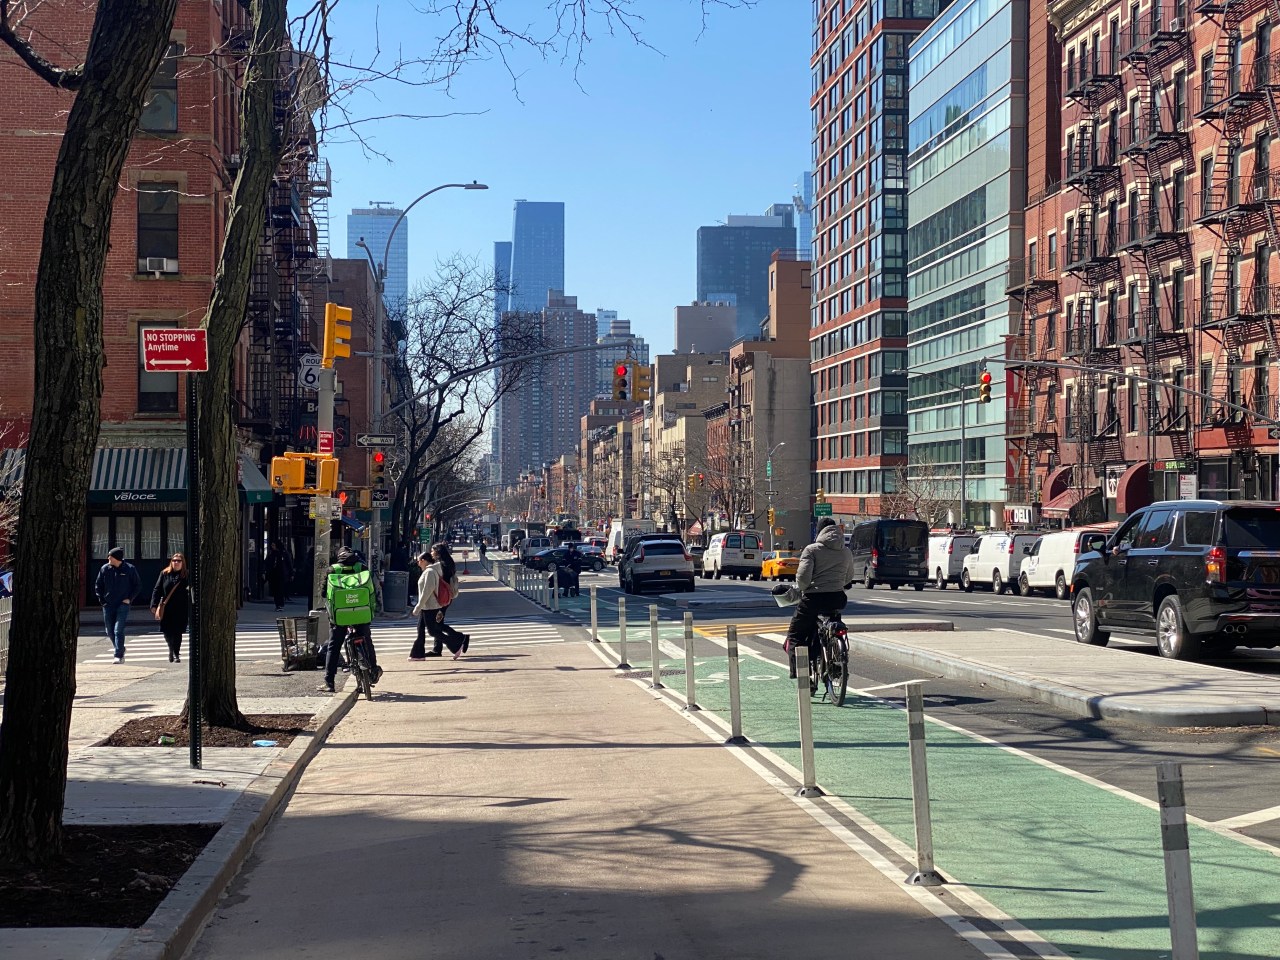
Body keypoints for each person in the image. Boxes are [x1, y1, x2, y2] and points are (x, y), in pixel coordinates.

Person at [783, 518, 856, 679]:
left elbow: (802, 580)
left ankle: (800, 673)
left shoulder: (811, 550)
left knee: (795, 634)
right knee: (831, 627)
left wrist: (804, 588)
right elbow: (849, 577)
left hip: (813, 599)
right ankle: (834, 655)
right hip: (837, 598)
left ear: (819, 531)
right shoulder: (846, 551)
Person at [321, 546, 381, 692]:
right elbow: (372, 589)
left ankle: (329, 682)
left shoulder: (332, 570)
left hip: (339, 617)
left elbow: (324, 593)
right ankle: (373, 670)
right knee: (367, 640)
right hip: (361, 614)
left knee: (333, 647)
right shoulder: (362, 567)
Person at [409, 542, 467, 660]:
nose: (431, 553)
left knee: (434, 629)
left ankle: (456, 642)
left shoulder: (434, 569)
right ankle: (418, 653)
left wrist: (418, 606)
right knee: (425, 628)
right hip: (437, 601)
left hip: (434, 603)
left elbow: (428, 590)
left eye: (432, 551)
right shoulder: (444, 565)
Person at [95, 546, 140, 664]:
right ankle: (120, 648)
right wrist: (102, 601)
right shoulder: (105, 569)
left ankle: (118, 655)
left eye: (110, 556)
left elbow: (137, 586)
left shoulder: (129, 569)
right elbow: (98, 586)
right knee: (109, 630)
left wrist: (129, 599)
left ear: (117, 558)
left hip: (123, 604)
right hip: (108, 604)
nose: (108, 557)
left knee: (118, 630)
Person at [150, 553, 190, 663]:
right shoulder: (164, 573)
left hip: (181, 608)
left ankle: (176, 652)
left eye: (178, 561)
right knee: (167, 631)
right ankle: (171, 649)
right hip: (167, 607)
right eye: (174, 560)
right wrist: (153, 605)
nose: (176, 562)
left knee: (178, 631)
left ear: (183, 563)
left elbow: (192, 591)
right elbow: (157, 590)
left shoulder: (186, 575)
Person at [263, 540, 292, 611]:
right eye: (272, 545)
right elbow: (267, 563)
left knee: (280, 590)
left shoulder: (284, 553)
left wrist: (291, 573)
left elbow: (289, 563)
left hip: (282, 574)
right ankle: (277, 604)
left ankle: (280, 604)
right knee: (275, 590)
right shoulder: (271, 553)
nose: (272, 547)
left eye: (274, 545)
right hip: (273, 574)